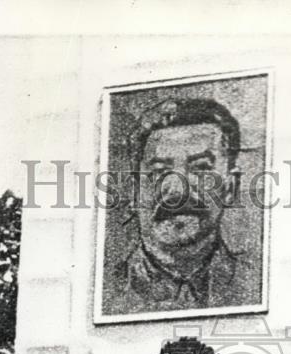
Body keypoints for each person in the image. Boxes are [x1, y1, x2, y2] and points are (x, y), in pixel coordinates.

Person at [108, 97, 258, 314]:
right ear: (134, 192)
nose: (177, 190)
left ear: (230, 187)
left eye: (200, 169)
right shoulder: (110, 289)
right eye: (159, 171)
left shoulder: (253, 284)